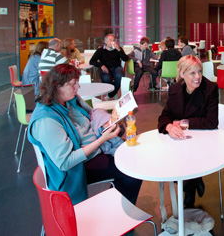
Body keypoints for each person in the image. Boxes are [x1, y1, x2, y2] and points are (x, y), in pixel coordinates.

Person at [27, 64, 142, 205]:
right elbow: (66, 162)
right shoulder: (46, 120)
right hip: (78, 166)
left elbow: (91, 114)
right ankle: (121, 215)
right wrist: (102, 139)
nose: (78, 88)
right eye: (73, 84)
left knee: (133, 157)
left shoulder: (71, 100)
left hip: (95, 148)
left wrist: (105, 123)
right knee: (132, 171)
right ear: (56, 86)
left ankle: (118, 207)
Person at [157, 55, 218, 208]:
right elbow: (164, 117)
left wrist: (183, 123)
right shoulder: (175, 89)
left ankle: (189, 193)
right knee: (171, 164)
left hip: (205, 138)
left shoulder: (210, 89)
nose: (197, 77)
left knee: (185, 162)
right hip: (183, 138)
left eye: (199, 71)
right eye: (192, 73)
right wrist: (169, 127)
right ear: (182, 74)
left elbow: (211, 122)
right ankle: (194, 180)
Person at [89, 34, 128, 99]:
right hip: (106, 68)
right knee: (106, 79)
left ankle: (110, 95)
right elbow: (92, 61)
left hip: (116, 67)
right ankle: (114, 93)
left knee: (120, 76)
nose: (112, 42)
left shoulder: (118, 49)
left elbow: (125, 59)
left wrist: (119, 50)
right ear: (106, 42)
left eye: (113, 40)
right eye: (110, 40)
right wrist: (101, 65)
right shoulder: (100, 50)